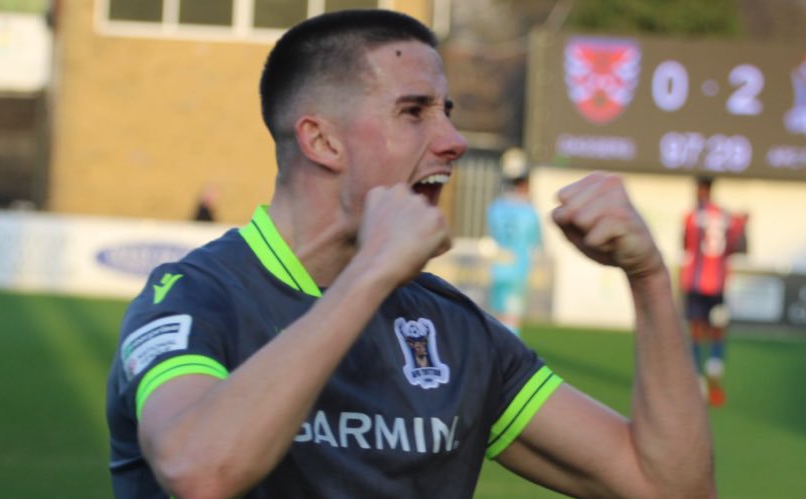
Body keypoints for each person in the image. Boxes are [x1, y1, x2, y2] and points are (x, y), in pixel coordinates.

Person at [105, 10, 713, 499]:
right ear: (321, 140)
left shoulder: (457, 330)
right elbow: (198, 472)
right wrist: (370, 274)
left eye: (445, 112)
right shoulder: (196, 300)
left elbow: (670, 489)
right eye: (413, 111)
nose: (452, 141)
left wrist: (650, 279)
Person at [680, 176, 745, 408]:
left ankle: (697, 380)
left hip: (695, 284)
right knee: (718, 330)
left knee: (696, 330)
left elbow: (685, 245)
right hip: (718, 285)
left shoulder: (690, 216)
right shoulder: (728, 217)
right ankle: (714, 370)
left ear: (700, 190)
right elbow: (737, 248)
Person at [485, 174, 542, 335]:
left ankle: (498, 345)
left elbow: (493, 233)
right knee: (513, 312)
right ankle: (511, 348)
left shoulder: (495, 207)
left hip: (499, 264)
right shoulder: (529, 211)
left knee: (499, 309)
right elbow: (535, 241)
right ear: (524, 186)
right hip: (518, 265)